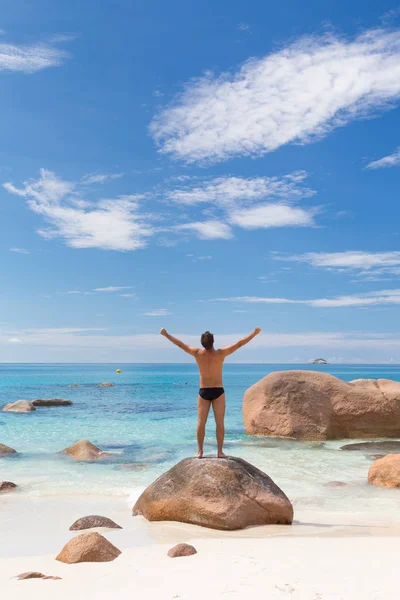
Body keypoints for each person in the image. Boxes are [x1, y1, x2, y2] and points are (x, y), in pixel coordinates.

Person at [160, 327, 261, 458]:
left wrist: (166, 334)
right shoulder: (220, 354)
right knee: (220, 423)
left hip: (204, 391)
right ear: (213, 342)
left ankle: (200, 452)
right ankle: (219, 452)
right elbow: (239, 344)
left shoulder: (197, 353)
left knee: (201, 423)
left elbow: (180, 344)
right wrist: (254, 333)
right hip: (218, 391)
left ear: (202, 343)